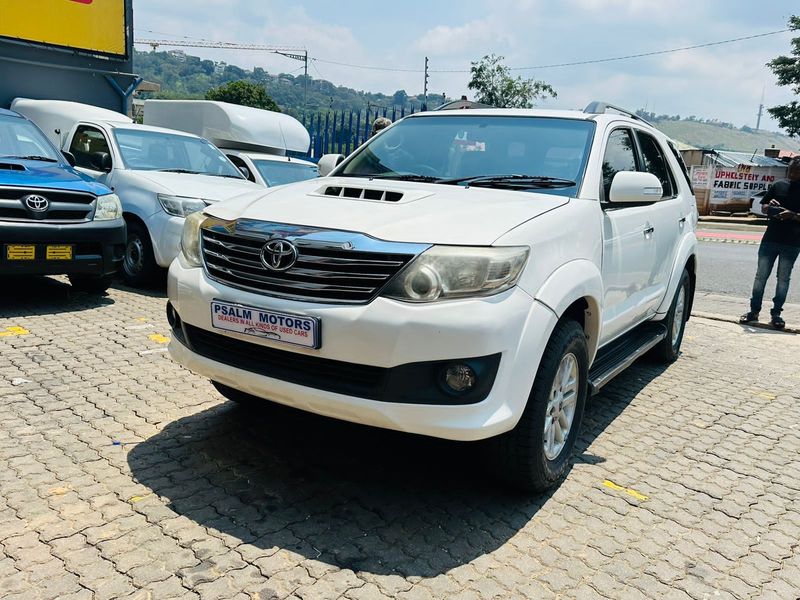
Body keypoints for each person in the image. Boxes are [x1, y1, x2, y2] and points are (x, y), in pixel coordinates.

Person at [740, 156, 800, 329]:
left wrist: (792, 215)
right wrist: (769, 206)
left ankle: (776, 314)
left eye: (797, 170)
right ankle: (754, 311)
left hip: (792, 243)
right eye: (791, 169)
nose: (793, 172)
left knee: (783, 279)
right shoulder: (778, 185)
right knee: (761, 276)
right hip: (770, 239)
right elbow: (763, 205)